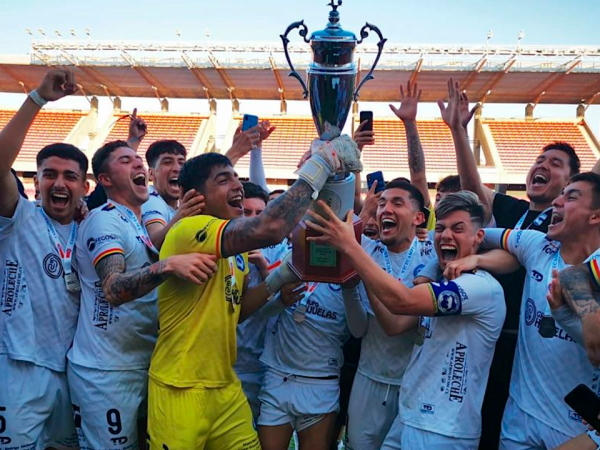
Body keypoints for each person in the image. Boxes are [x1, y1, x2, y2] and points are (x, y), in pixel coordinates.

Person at [147, 135, 362, 449]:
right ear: (196, 196)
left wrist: (279, 278)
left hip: (225, 386)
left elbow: (236, 312)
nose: (237, 185)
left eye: (237, 178)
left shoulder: (236, 254)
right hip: (180, 387)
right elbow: (270, 227)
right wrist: (321, 163)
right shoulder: (190, 229)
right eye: (224, 180)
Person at [438, 77, 581, 449]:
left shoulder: (562, 227)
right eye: (539, 160)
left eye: (555, 163)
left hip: (532, 344)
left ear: (571, 184)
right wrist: (458, 130)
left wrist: (477, 259)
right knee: (483, 424)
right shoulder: (514, 212)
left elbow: (515, 260)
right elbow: (474, 191)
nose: (541, 165)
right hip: (487, 334)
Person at [307, 191, 506, 449]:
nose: (446, 235)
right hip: (411, 415)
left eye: (458, 229)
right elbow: (395, 324)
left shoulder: (478, 287)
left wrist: (352, 249)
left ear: (479, 237)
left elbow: (403, 301)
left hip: (443, 430)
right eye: (441, 228)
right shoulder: (440, 280)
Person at [67, 140, 217, 449]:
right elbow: (113, 288)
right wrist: (168, 266)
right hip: (105, 372)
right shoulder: (104, 219)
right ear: (105, 179)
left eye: (138, 159)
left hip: (143, 364)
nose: (137, 163)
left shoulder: (135, 222)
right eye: (125, 161)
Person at [444, 172, 600, 449]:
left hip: (575, 425)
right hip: (519, 419)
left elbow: (596, 346)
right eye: (560, 195)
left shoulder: (591, 269)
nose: (557, 202)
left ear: (595, 216)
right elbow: (467, 236)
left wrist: (573, 313)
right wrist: (475, 257)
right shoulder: (536, 244)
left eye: (571, 197)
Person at [0, 69, 84, 449]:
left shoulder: (92, 230)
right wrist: (37, 99)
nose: (59, 183)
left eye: (69, 176)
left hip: (73, 371)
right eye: (49, 175)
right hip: (19, 367)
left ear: (84, 187)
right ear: (36, 183)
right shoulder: (18, 217)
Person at [344, 180, 436, 450]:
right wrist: (363, 214)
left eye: (397, 203)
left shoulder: (432, 255)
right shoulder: (364, 250)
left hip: (413, 384)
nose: (386, 209)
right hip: (368, 378)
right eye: (382, 204)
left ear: (418, 218)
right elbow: (358, 330)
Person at [235, 181, 296, 418]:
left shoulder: (280, 249)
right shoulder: (224, 247)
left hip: (261, 364)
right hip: (223, 362)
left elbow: (284, 301)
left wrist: (263, 268)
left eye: (259, 213)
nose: (253, 219)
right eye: (246, 212)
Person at [141, 139, 204, 249]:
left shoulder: (177, 207)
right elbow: (155, 243)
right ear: (151, 174)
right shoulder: (151, 199)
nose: (177, 168)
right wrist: (180, 217)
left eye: (181, 163)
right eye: (167, 162)